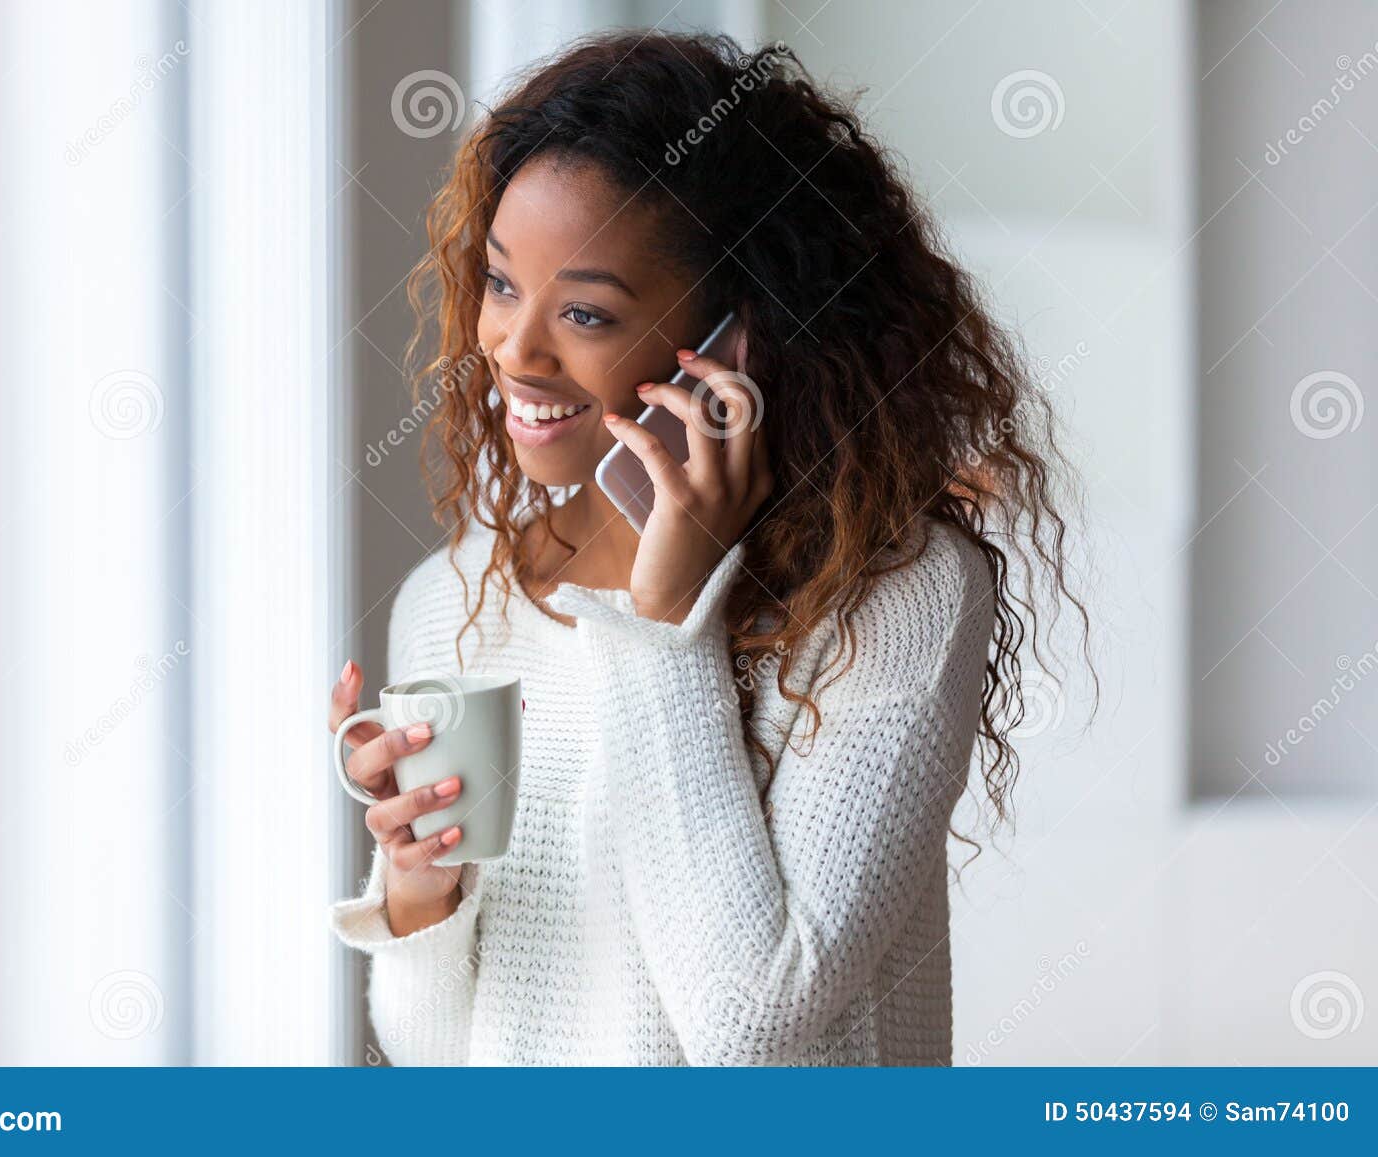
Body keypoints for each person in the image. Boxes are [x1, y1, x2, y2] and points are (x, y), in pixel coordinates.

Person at [327, 30, 1088, 1066]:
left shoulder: (890, 599)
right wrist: (423, 883)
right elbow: (427, 1049)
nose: (511, 348)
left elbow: (751, 1027)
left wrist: (665, 620)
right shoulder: (458, 595)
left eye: (585, 311)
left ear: (741, 337)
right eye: (502, 284)